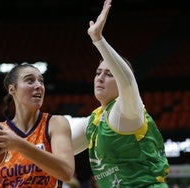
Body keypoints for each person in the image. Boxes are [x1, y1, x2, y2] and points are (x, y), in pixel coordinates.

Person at [71, 0, 170, 187]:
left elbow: (128, 82)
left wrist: (98, 39)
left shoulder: (126, 112)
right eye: (98, 72)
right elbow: (55, 148)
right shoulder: (94, 121)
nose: (100, 78)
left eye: (109, 74)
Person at [0, 63, 75, 187]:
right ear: (12, 89)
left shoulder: (55, 123)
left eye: (41, 81)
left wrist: (18, 144)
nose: (39, 85)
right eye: (30, 81)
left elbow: (66, 172)